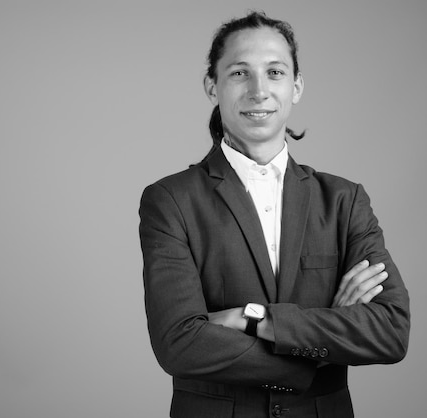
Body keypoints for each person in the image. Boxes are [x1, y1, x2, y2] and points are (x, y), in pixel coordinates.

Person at [138, 11, 410, 418]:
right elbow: (179, 344)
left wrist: (254, 319)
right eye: (239, 73)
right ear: (212, 86)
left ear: (296, 86)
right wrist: (323, 342)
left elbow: (390, 333)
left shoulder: (344, 200)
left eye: (275, 72)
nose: (259, 90)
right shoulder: (170, 200)